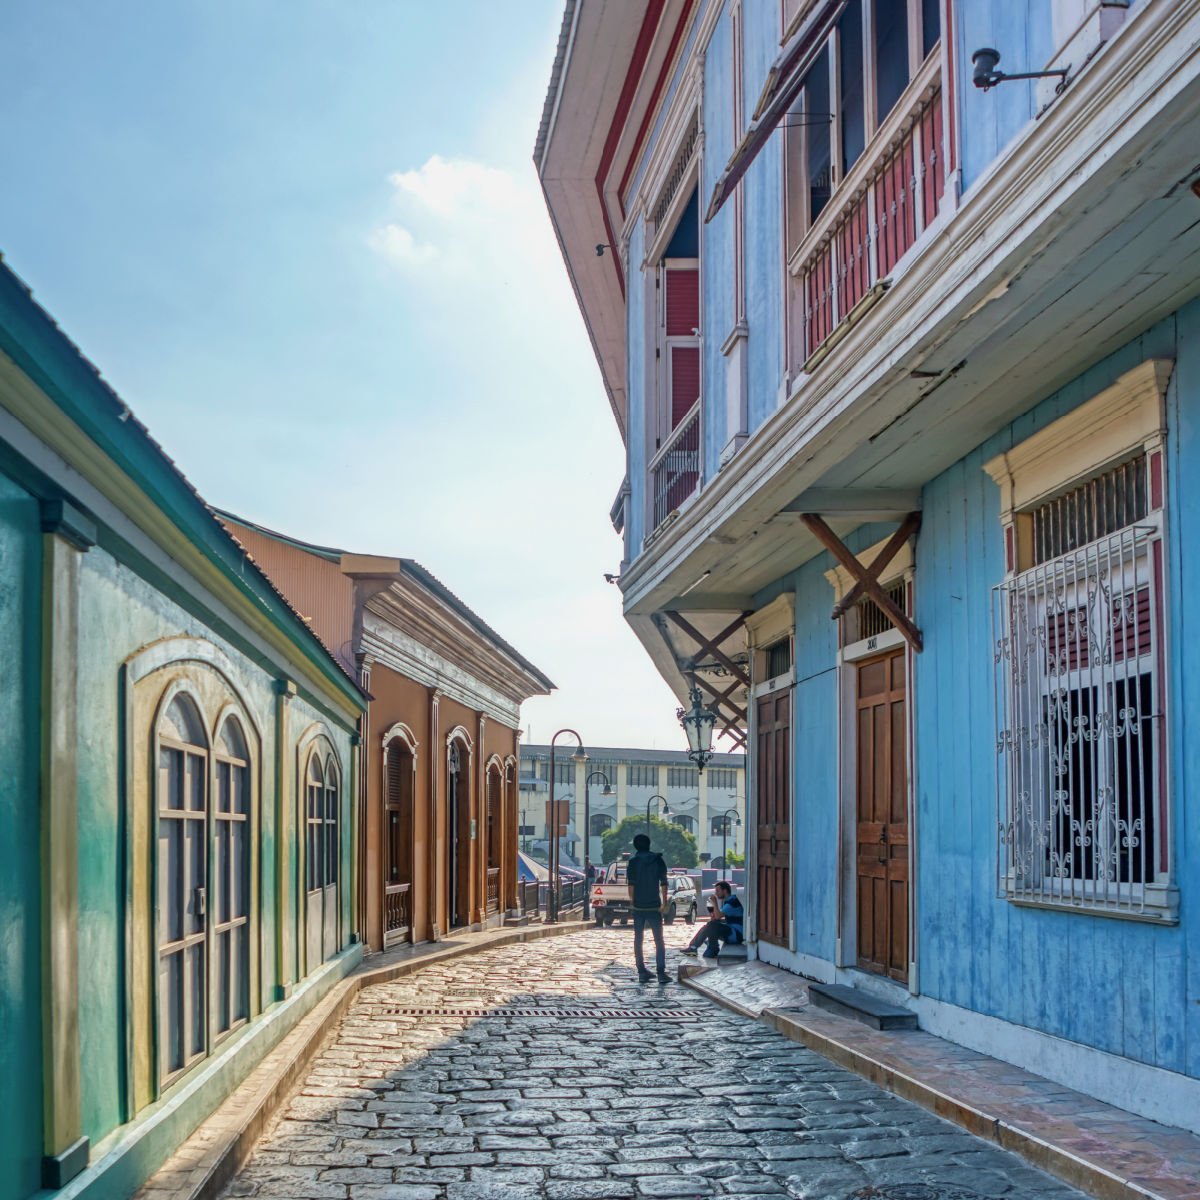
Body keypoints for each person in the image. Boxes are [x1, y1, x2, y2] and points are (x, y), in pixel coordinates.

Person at [625, 832, 670, 983]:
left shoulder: (633, 862)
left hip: (638, 906)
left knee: (638, 939)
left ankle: (641, 971)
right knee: (659, 940)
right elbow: (664, 883)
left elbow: (631, 885)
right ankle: (661, 973)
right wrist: (664, 902)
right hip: (654, 906)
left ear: (636, 846)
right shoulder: (658, 860)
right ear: (649, 844)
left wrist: (632, 902)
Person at [680, 880, 743, 959]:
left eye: (718, 891)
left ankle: (711, 948)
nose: (716, 893)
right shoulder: (729, 901)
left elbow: (718, 916)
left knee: (712, 925)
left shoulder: (732, 902)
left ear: (725, 891)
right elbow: (717, 917)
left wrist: (714, 902)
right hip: (732, 931)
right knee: (711, 924)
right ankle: (696, 947)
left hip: (736, 935)